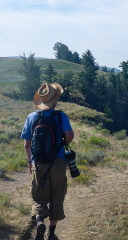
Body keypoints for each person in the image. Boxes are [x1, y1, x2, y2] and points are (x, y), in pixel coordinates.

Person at [21, 83, 74, 240]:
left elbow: (26, 144)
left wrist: (30, 162)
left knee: (39, 195)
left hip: (38, 162)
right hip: (57, 162)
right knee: (57, 195)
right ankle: (51, 232)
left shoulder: (32, 117)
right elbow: (69, 135)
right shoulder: (60, 116)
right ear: (55, 100)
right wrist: (61, 143)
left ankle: (39, 223)